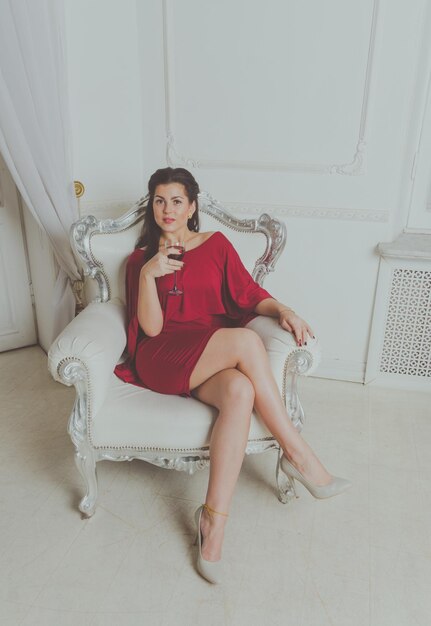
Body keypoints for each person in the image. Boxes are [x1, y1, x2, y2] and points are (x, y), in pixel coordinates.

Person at [115, 167, 351, 584]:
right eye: (158, 200)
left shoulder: (216, 246)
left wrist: (285, 311)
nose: (166, 209)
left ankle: (213, 521)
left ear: (192, 206)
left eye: (175, 200)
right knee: (243, 343)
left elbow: (248, 294)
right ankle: (297, 453)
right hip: (161, 356)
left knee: (240, 390)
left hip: (205, 352)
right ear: (151, 206)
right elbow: (149, 331)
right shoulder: (139, 261)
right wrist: (150, 273)